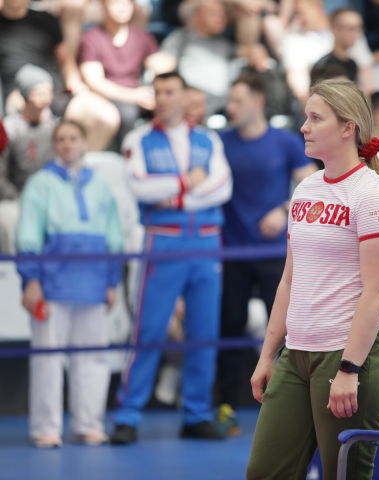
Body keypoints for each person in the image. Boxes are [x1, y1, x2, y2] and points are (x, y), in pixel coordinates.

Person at [245, 79, 379, 479]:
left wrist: (349, 369)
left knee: (344, 475)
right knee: (264, 472)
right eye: (306, 117)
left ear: (348, 127)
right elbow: (289, 281)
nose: (304, 127)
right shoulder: (306, 189)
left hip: (348, 355)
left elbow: (378, 291)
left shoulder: (372, 194)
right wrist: (267, 355)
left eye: (316, 118)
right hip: (297, 355)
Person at [111, 72, 232, 445]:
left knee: (204, 333)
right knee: (148, 331)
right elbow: (139, 186)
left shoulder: (208, 138)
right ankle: (128, 415)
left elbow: (222, 186)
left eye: (170, 91)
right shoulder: (138, 138)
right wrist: (186, 183)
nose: (163, 98)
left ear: (184, 96)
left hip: (207, 241)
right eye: (158, 92)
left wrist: (175, 198)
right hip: (163, 241)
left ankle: (196, 413)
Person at [216, 72, 315, 434]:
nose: (231, 108)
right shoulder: (220, 143)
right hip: (233, 253)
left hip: (276, 253)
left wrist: (284, 209)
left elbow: (312, 185)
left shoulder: (285, 141)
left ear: (258, 102)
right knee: (230, 328)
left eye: (238, 100)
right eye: (230, 100)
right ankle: (226, 406)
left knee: (289, 329)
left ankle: (291, 406)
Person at [16, 119, 123, 448]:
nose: (67, 144)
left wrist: (111, 281)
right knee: (47, 360)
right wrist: (31, 280)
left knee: (93, 359)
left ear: (84, 143)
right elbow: (28, 234)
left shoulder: (100, 186)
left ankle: (88, 424)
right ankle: (46, 428)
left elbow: (113, 237)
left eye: (73, 138)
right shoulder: (40, 184)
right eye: (61, 139)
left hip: (93, 283)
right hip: (53, 284)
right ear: (54, 145)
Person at [0, 0, 121, 151]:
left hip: (55, 90)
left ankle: (78, 162)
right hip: (18, 93)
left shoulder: (45, 20)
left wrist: (74, 81)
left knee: (107, 116)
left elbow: (65, 59)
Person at [78, 0, 172, 142]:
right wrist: (133, 96)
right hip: (107, 97)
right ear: (104, 5)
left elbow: (158, 63)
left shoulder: (141, 36)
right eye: (116, 3)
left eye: (127, 3)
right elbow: (94, 82)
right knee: (128, 113)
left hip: (138, 94)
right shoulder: (91, 38)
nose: (123, 8)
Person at [160, 0, 265, 116]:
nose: (221, 18)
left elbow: (246, 51)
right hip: (190, 100)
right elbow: (163, 60)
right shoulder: (182, 37)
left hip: (222, 105)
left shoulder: (223, 44)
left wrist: (256, 49)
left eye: (223, 14)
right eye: (213, 13)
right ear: (197, 17)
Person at [0, 65, 59, 253]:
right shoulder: (9, 129)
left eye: (48, 92)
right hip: (17, 196)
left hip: (52, 195)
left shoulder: (57, 128)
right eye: (38, 92)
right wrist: (18, 197)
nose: (45, 98)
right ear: (26, 95)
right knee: (6, 217)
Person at [275, 0, 375, 104]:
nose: (297, 18)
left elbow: (366, 70)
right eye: (294, 14)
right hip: (321, 98)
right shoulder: (292, 39)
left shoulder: (350, 30)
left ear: (318, 7)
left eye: (300, 13)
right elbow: (299, 83)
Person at [311, 9, 375, 90]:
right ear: (335, 30)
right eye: (352, 28)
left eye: (360, 28)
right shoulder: (324, 65)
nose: (358, 33)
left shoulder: (352, 63)